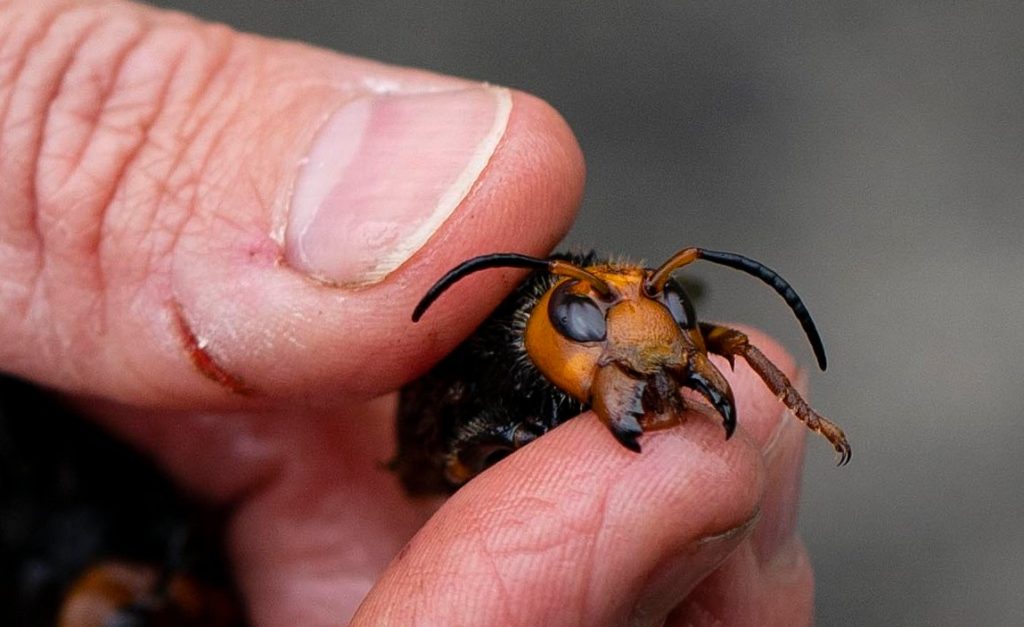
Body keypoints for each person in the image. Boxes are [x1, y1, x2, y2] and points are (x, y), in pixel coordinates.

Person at [0, 1, 815, 624]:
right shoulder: (494, 366)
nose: (643, 330)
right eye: (597, 322)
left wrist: (800, 407)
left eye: (661, 303)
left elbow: (715, 335)